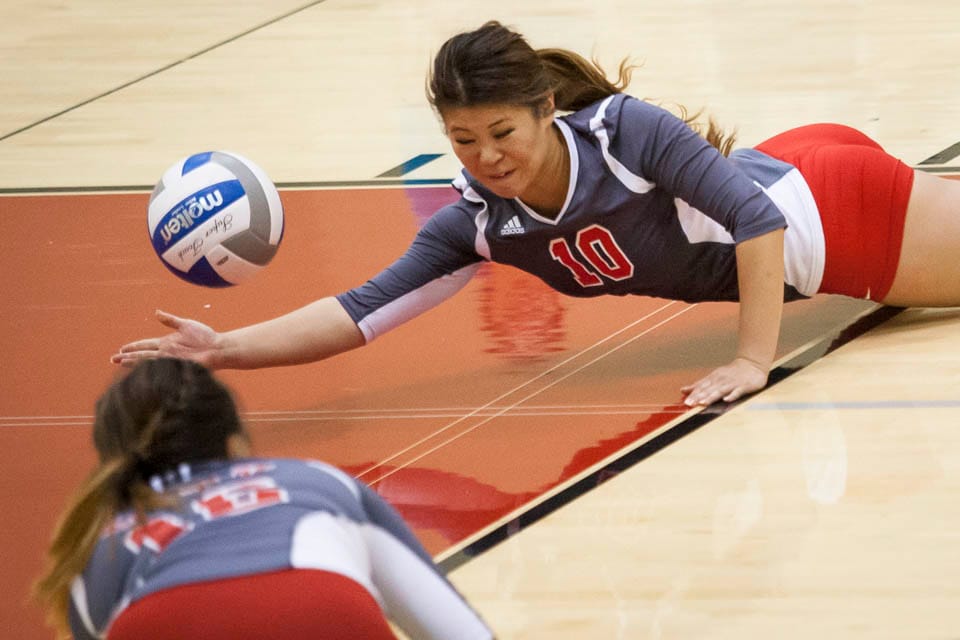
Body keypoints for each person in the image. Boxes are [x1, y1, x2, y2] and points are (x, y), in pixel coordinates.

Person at [112, 20, 960, 407]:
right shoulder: (476, 222)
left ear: (547, 107)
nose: (486, 156)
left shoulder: (624, 131)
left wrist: (752, 361)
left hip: (832, 218)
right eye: (461, 138)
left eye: (502, 131)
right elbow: (359, 313)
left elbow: (753, 220)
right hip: (801, 179)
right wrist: (226, 347)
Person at [33, 358, 495, 640]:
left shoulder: (100, 542)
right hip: (324, 609)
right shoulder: (316, 481)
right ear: (236, 441)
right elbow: (461, 633)